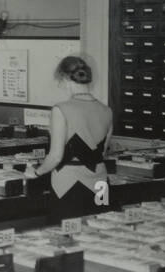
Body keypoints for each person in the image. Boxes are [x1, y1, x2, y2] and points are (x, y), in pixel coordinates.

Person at [27, 55, 113, 222]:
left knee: (68, 236)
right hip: (101, 184)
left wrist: (36, 172)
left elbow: (56, 156)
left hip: (69, 184)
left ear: (65, 79)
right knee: (99, 233)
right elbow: (102, 153)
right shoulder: (107, 111)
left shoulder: (61, 109)